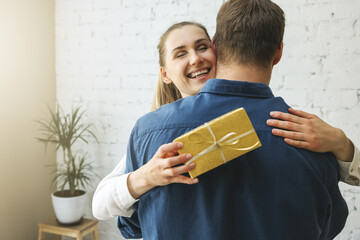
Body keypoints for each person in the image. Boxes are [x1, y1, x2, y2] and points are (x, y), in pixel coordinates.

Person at [116, 0, 349, 239]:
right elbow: (328, 226)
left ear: (215, 45)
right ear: (278, 52)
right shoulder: (315, 142)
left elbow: (131, 226)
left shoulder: (147, 132)